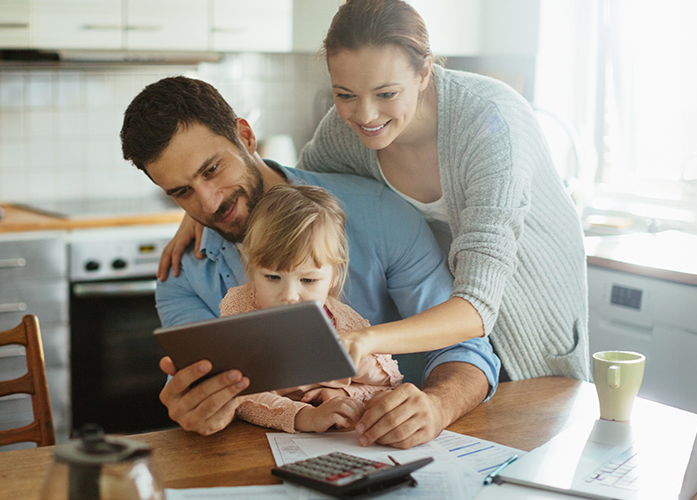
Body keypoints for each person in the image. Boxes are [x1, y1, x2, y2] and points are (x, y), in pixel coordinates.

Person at [158, 0, 590, 382]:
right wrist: (205, 211)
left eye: (386, 93)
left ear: (424, 72)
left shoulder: (490, 124)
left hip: (529, 327)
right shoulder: (346, 132)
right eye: (345, 94)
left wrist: (363, 340)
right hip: (447, 318)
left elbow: (478, 306)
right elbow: (295, 201)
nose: (365, 115)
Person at [120, 76, 500, 449]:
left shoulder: (379, 214)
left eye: (212, 169)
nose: (208, 203)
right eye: (182, 192)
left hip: (396, 451)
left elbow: (465, 347)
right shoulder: (182, 275)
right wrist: (200, 408)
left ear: (246, 138)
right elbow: (210, 391)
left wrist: (437, 405)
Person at [223, 183, 404, 434]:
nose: (289, 296)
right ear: (252, 268)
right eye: (272, 277)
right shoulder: (241, 313)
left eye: (308, 280)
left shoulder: (346, 329)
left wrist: (344, 392)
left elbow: (388, 387)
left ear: (334, 278)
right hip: (259, 443)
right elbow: (238, 395)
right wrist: (305, 416)